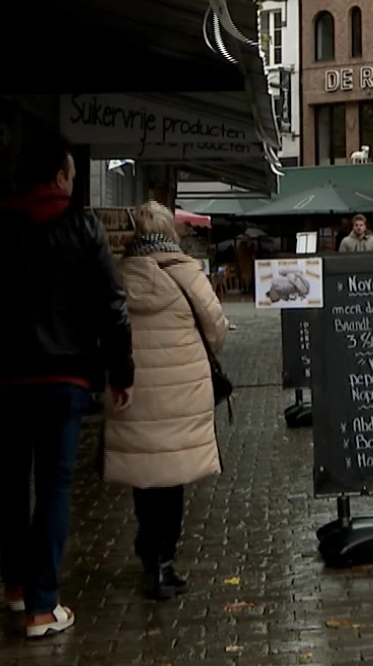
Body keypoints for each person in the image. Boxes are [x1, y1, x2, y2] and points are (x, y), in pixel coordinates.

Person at [0, 134, 133, 639]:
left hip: (7, 376)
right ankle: (42, 604)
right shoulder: (82, 226)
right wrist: (121, 372)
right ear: (60, 177)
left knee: (12, 476)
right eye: (70, 175)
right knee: (53, 486)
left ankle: (14, 584)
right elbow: (112, 305)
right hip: (64, 378)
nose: (72, 183)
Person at [105, 202, 229, 600]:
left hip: (133, 390)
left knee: (145, 474)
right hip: (182, 391)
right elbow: (217, 331)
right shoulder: (188, 274)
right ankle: (163, 562)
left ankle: (150, 546)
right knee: (172, 478)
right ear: (170, 233)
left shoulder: (117, 276)